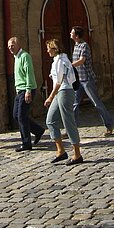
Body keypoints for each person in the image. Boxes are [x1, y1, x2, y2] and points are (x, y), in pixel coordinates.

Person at [43, 38, 83, 166]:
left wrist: (50, 97)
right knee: (50, 120)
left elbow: (59, 82)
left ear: (55, 49)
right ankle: (61, 151)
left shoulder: (60, 60)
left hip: (65, 91)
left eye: (49, 48)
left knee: (68, 122)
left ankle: (77, 154)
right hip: (61, 92)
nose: (47, 50)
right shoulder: (59, 60)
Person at [70, 26, 114, 136]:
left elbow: (81, 61)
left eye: (72, 33)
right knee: (74, 104)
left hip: (87, 79)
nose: (70, 34)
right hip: (78, 80)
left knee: (96, 103)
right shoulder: (75, 46)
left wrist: (68, 66)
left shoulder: (84, 46)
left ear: (76, 35)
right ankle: (71, 129)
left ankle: (109, 125)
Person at [8, 36, 45, 151]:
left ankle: (26, 143)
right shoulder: (16, 57)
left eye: (12, 46)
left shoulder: (25, 56)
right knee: (16, 115)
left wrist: (28, 90)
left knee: (21, 116)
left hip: (26, 89)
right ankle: (38, 130)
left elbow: (29, 74)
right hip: (19, 90)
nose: (10, 48)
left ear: (18, 45)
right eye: (9, 46)